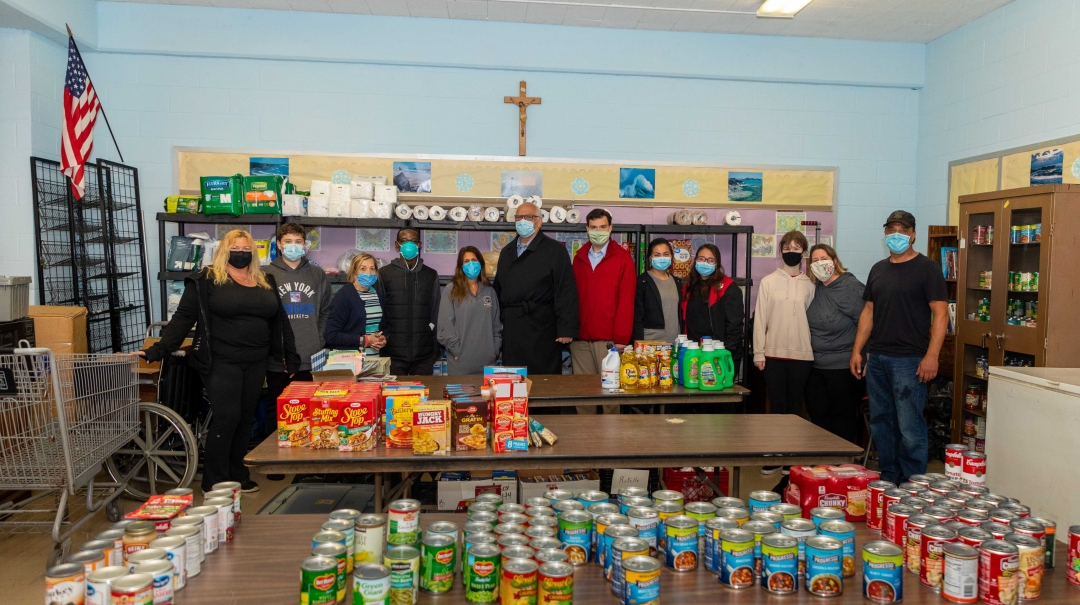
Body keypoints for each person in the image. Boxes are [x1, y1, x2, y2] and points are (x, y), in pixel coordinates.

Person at [138, 229, 299, 493]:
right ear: (224, 250)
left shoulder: (265, 279)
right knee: (227, 417)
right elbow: (183, 319)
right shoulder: (206, 280)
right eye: (235, 249)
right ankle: (214, 480)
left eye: (246, 250)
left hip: (256, 361)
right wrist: (159, 350)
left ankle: (238, 473)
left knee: (245, 418)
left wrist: (289, 357)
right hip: (221, 361)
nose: (241, 254)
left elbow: (280, 321)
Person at [851, 210, 948, 485]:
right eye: (891, 229)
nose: (897, 235)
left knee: (909, 426)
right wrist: (857, 350)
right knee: (882, 423)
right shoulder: (878, 269)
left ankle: (913, 483)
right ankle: (889, 477)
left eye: (903, 230)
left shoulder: (927, 269)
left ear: (913, 234)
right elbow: (868, 311)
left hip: (910, 360)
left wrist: (932, 356)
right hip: (878, 358)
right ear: (885, 234)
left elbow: (941, 315)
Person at [753, 229, 814, 475]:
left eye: (796, 247)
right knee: (776, 407)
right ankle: (775, 454)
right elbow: (760, 320)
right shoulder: (768, 281)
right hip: (773, 355)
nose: (791, 251)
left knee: (795, 407)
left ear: (804, 252)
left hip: (802, 355)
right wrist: (759, 352)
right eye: (787, 247)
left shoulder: (811, 284)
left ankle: (792, 458)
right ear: (781, 251)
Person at [494, 201, 579, 374]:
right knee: (513, 379)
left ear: (539, 222)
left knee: (543, 380)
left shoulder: (555, 251)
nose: (522, 220)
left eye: (528, 217)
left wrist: (566, 328)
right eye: (519, 217)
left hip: (542, 327)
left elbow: (566, 291)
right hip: (513, 327)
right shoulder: (507, 252)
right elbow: (498, 288)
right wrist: (502, 317)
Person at [571, 208, 636, 414]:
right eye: (593, 227)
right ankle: (585, 441)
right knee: (583, 395)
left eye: (602, 227)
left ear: (610, 228)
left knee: (610, 395)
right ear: (586, 229)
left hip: (609, 342)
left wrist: (621, 339)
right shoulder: (579, 257)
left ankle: (611, 442)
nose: (597, 231)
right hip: (581, 339)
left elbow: (626, 301)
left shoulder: (623, 258)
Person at [263, 223, 332, 401]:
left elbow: (326, 310)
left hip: (311, 357)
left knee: (311, 411)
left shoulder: (317, 274)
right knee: (277, 411)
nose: (293, 245)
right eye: (288, 241)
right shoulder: (265, 275)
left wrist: (319, 338)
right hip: (279, 361)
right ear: (279, 244)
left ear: (304, 244)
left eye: (298, 241)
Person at [804, 243, 865, 444]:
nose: (820, 264)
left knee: (842, 417)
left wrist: (861, 355)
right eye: (815, 261)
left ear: (835, 261)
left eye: (824, 259)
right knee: (818, 415)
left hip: (843, 366)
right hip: (817, 365)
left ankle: (842, 465)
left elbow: (867, 323)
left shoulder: (850, 287)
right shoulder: (818, 288)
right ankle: (824, 462)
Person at [378, 228, 440, 376]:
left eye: (413, 241)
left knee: (422, 397)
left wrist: (435, 347)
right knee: (393, 397)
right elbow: (379, 312)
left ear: (419, 244)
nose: (409, 244)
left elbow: (436, 312)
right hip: (393, 354)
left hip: (423, 355)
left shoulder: (430, 275)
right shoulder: (384, 274)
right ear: (397, 245)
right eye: (404, 241)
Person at [437, 246, 503, 375]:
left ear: (480, 263)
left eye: (474, 260)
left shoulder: (489, 291)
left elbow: (496, 325)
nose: (471, 263)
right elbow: (445, 327)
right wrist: (457, 352)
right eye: (466, 261)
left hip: (488, 363)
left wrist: (495, 351)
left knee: (487, 396)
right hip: (461, 363)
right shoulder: (451, 290)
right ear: (461, 266)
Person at [681, 243, 744, 369]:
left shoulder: (729, 288)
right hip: (694, 352)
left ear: (717, 264)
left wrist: (725, 354)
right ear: (695, 261)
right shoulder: (687, 287)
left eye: (710, 260)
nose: (705, 263)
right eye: (701, 259)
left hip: (720, 355)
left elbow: (735, 326)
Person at [325, 252, 387, 354]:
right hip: (350, 360)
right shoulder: (344, 295)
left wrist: (383, 338)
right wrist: (365, 340)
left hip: (375, 358)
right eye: (363, 269)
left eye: (372, 268)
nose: (369, 273)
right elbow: (332, 335)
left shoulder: (377, 293)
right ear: (354, 273)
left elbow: (382, 325)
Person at [633, 238, 684, 344]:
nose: (662, 258)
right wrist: (637, 343)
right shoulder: (642, 282)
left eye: (666, 254)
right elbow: (637, 318)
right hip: (650, 345)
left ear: (671, 256)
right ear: (650, 257)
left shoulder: (677, 282)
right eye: (657, 255)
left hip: (675, 343)